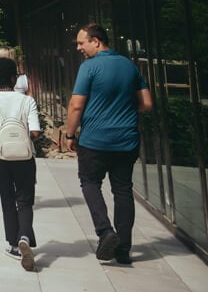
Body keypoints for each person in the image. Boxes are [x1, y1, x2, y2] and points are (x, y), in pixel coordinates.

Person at [64, 23, 153, 264]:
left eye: (82, 43)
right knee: (123, 190)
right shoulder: (129, 66)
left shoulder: (89, 67)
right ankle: (123, 248)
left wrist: (70, 135)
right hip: (126, 141)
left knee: (90, 182)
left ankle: (105, 232)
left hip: (95, 141)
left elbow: (75, 105)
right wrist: (123, 108)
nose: (79, 48)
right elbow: (146, 103)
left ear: (97, 41)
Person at [0, 57, 41, 271]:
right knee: (25, 199)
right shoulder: (27, 101)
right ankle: (24, 235)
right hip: (25, 157)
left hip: (0, 156)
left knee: (7, 199)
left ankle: (14, 245)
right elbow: (35, 132)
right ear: (15, 78)